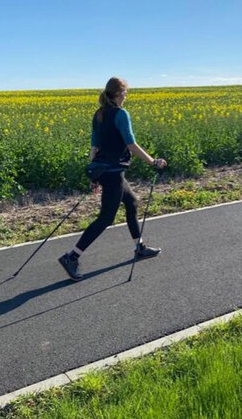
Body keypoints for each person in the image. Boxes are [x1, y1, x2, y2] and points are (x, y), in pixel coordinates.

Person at [58, 77, 167, 281]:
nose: (126, 95)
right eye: (125, 92)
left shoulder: (99, 114)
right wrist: (153, 162)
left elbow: (94, 147)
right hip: (114, 173)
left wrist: (94, 175)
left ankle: (140, 247)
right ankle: (71, 257)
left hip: (105, 171)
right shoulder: (120, 114)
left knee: (132, 202)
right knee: (106, 218)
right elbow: (132, 146)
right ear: (118, 93)